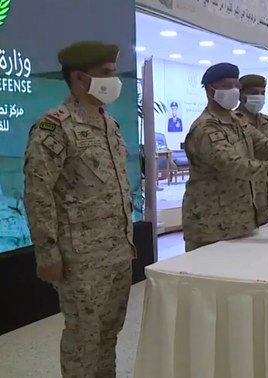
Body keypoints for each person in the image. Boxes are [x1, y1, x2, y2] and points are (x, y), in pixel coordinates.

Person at [23, 41, 135, 378]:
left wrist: (127, 239)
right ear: (79, 78)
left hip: (117, 253)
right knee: (83, 340)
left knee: (108, 335)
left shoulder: (109, 125)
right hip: (80, 259)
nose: (114, 81)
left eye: (114, 73)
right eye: (105, 74)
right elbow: (38, 191)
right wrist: (47, 252)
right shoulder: (55, 126)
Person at [182, 63, 268, 252]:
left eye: (237, 86)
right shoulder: (207, 128)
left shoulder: (236, 121)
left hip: (239, 221)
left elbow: (263, 145)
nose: (235, 91)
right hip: (211, 226)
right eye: (228, 86)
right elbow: (236, 166)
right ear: (211, 89)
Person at [236, 74, 268, 226]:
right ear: (240, 95)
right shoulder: (233, 123)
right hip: (242, 198)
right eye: (253, 93)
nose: (259, 97)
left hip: (267, 196)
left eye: (262, 93)